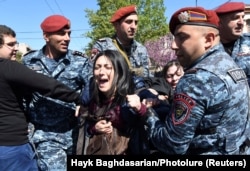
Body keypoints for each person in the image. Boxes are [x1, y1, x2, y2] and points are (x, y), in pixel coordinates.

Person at [143, 7, 250, 155]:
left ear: (208, 39)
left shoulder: (196, 78)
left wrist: (146, 114)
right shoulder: (230, 64)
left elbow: (173, 144)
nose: (173, 45)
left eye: (182, 37)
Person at [0, 25, 81, 171]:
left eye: (16, 44)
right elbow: (48, 85)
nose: (15, 48)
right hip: (12, 147)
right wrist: (79, 99)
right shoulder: (8, 67)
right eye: (10, 44)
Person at [22, 15, 91, 170]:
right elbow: (23, 96)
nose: (67, 38)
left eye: (69, 33)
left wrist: (83, 100)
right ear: (46, 36)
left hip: (75, 133)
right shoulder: (29, 61)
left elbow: (92, 85)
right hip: (45, 134)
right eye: (61, 33)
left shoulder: (79, 61)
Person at [77, 50, 157, 155]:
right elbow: (85, 129)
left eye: (108, 67)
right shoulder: (92, 100)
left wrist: (141, 108)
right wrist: (94, 128)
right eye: (97, 67)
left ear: (119, 72)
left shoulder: (137, 95)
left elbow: (155, 129)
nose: (101, 72)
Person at [91, 5, 152, 77]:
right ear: (116, 25)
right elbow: (92, 77)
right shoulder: (103, 46)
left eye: (136, 22)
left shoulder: (141, 49)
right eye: (129, 22)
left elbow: (148, 77)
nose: (133, 26)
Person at [214, 2, 250, 85]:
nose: (241, 22)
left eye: (242, 17)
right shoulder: (209, 48)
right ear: (220, 23)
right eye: (235, 18)